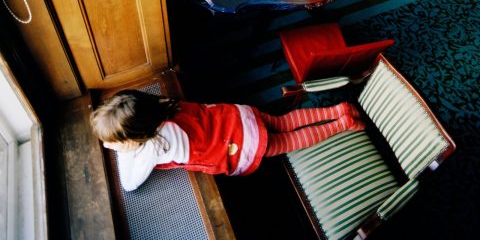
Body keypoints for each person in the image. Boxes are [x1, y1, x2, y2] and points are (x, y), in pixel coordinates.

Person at [90, 90, 365, 191]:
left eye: (113, 142)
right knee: (283, 121)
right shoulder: (161, 104)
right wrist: (123, 140)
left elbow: (129, 184)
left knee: (289, 142)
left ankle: (342, 124)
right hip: (238, 118)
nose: (107, 146)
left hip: (241, 144)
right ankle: (335, 110)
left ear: (138, 137)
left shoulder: (152, 146)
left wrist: (124, 151)